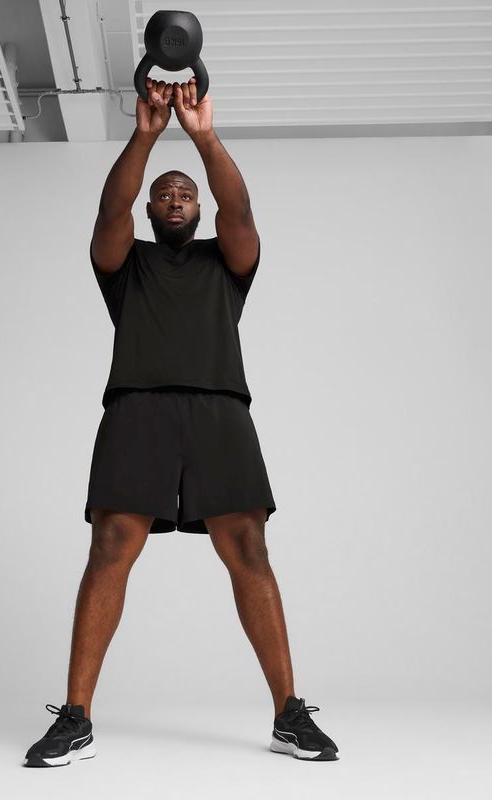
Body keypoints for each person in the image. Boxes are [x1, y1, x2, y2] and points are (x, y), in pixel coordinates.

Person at [23, 77, 339, 767]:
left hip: (220, 410)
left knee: (249, 548)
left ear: (198, 209)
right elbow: (109, 209)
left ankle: (289, 714)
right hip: (137, 408)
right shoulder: (124, 262)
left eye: (185, 193)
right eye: (164, 192)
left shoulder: (229, 262)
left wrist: (202, 136)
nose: (174, 197)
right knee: (111, 544)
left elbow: (241, 209)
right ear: (150, 208)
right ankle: (76, 718)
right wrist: (145, 135)